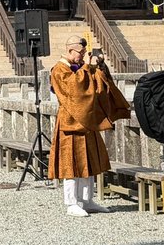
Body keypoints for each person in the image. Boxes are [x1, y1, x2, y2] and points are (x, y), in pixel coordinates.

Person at [49, 34, 131, 216]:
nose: (82, 56)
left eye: (85, 52)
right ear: (70, 50)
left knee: (89, 160)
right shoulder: (59, 69)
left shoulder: (80, 67)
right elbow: (74, 89)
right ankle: (71, 203)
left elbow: (97, 85)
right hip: (70, 122)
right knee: (71, 163)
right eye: (81, 52)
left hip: (88, 120)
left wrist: (99, 67)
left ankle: (87, 199)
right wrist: (87, 66)